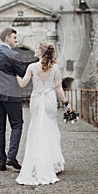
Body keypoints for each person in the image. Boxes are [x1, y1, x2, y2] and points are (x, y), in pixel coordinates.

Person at [15, 42, 71, 185]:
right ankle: (53, 162)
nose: (34, 50)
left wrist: (15, 74)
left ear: (41, 52)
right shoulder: (55, 68)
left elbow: (22, 84)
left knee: (36, 129)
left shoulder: (32, 67)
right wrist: (65, 103)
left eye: (37, 48)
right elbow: (58, 87)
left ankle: (37, 162)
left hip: (36, 100)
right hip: (50, 99)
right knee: (51, 128)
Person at [0, 28, 25, 171]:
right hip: (11, 95)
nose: (16, 40)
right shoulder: (13, 54)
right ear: (7, 38)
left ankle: (1, 161)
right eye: (14, 37)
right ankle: (11, 156)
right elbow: (21, 72)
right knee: (17, 124)